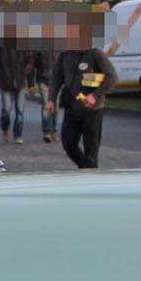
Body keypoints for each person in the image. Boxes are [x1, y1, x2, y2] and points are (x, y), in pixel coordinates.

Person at [48, 11, 114, 169]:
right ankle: (87, 169)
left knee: (91, 150)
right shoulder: (65, 55)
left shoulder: (95, 54)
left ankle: (90, 178)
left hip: (92, 109)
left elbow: (112, 77)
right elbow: (56, 78)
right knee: (68, 144)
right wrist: (51, 99)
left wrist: (95, 95)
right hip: (72, 108)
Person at [0, 36, 27, 143]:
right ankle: (5, 129)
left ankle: (18, 135)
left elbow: (29, 59)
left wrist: (24, 72)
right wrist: (1, 73)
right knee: (6, 109)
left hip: (19, 81)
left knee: (20, 110)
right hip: (5, 82)